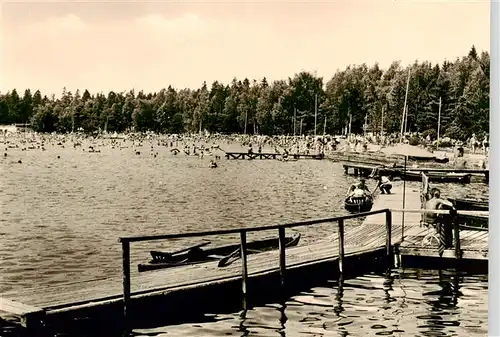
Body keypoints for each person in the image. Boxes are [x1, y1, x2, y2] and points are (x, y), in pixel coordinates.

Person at [423, 188, 456, 256]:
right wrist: (445, 200)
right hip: (433, 220)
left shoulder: (428, 201)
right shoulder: (437, 200)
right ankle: (446, 241)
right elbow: (450, 204)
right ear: (437, 195)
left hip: (426, 220)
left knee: (441, 216)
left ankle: (439, 235)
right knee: (446, 221)